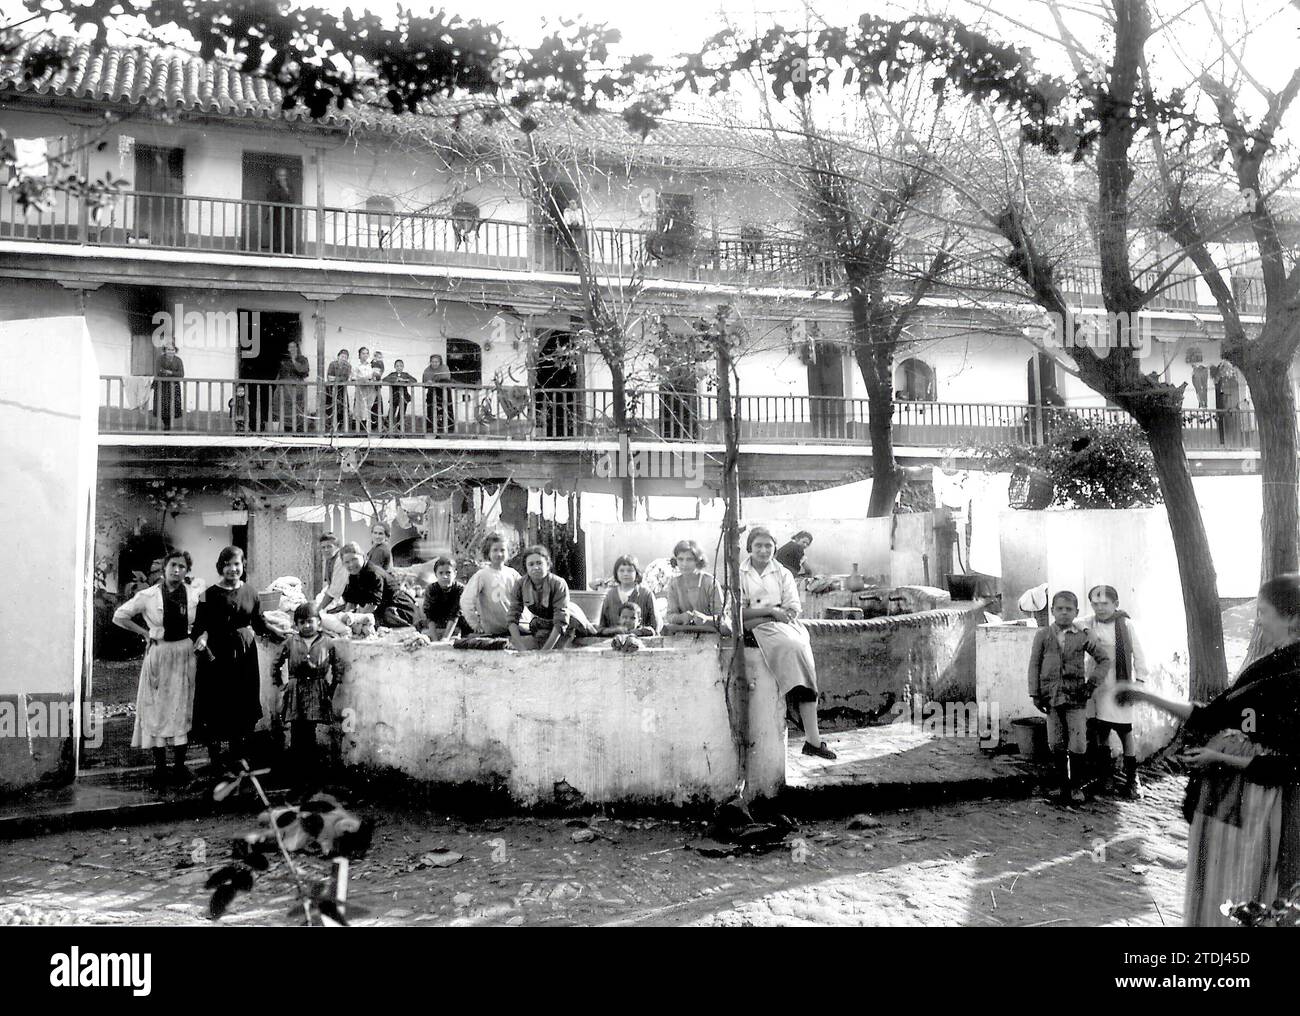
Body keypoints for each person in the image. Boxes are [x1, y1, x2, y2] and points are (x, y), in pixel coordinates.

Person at [1114, 574, 1300, 928]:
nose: (1258, 620)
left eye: (1264, 612)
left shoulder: (1289, 675)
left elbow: (1290, 766)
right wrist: (1145, 696)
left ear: (1291, 618)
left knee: (1257, 890)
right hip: (1245, 798)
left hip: (1271, 805)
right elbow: (1213, 715)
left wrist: (1221, 758)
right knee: (1235, 887)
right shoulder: (1267, 666)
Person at [741, 527, 836, 760]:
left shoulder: (782, 573)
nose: (763, 550)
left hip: (780, 626)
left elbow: (792, 609)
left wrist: (763, 616)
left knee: (801, 650)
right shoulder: (740, 573)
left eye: (768, 546)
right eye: (758, 546)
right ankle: (811, 737)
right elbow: (736, 613)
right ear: (749, 548)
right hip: (756, 630)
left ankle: (812, 739)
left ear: (775, 548)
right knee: (793, 649)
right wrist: (773, 611)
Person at [191, 546, 287, 774]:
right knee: (214, 705)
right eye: (227, 564)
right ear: (220, 567)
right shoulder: (208, 593)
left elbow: (259, 622)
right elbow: (199, 627)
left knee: (241, 704)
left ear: (243, 566)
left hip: (244, 654)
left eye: (237, 564)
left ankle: (237, 758)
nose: (232, 569)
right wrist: (203, 638)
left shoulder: (251, 592)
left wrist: (280, 633)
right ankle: (215, 761)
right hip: (216, 656)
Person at [112, 548, 203, 787]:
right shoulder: (148, 596)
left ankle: (180, 767)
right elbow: (120, 616)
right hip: (160, 653)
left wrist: (201, 638)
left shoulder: (193, 594)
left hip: (184, 653)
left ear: (187, 570)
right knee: (158, 707)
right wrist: (145, 633)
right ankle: (160, 768)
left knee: (182, 705)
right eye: (173, 565)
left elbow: (202, 622)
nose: (177, 570)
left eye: (182, 566)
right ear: (164, 568)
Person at [1027, 590, 1111, 805]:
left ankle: (1076, 788)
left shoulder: (1082, 636)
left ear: (1076, 612)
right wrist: (1035, 693)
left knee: (1078, 743)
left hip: (1076, 697)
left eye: (1069, 609)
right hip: (1051, 697)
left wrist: (1091, 684)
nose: (1064, 613)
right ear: (1052, 610)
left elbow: (1104, 660)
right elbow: (1034, 664)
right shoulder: (1043, 635)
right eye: (1060, 609)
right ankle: (1061, 786)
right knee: (1055, 742)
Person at [1083, 584, 1149, 798]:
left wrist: (1140, 680)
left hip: (1120, 684)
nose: (1100, 608)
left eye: (1105, 603)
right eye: (1095, 603)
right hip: (1099, 686)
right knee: (1101, 730)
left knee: (1124, 731)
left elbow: (1139, 653)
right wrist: (1087, 630)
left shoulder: (1125, 625)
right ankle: (1106, 777)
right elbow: (1074, 623)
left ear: (1116, 604)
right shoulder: (1090, 621)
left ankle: (1133, 779)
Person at [272, 602, 341, 790]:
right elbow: (276, 663)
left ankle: (311, 775)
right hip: (296, 689)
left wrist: (331, 688)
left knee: (310, 730)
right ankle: (297, 775)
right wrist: (280, 685)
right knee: (297, 730)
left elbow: (338, 668)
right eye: (302, 622)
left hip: (317, 688)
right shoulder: (291, 642)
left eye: (310, 621)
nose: (306, 626)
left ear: (319, 622)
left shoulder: (327, 642)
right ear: (296, 625)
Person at [507, 544, 596, 650]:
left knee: (580, 638)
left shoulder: (558, 583)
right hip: (544, 620)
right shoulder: (520, 585)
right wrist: (521, 649)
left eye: (539, 563)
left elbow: (561, 621)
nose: (535, 567)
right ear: (526, 568)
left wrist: (545, 651)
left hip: (570, 617)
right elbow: (512, 618)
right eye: (531, 564)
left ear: (548, 565)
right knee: (535, 630)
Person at [331, 541, 416, 628]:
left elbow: (372, 605)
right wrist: (345, 619)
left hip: (400, 609)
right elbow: (351, 602)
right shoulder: (353, 575)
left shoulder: (373, 573)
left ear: (363, 557)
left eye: (354, 559)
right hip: (381, 609)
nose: (351, 564)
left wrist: (356, 620)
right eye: (347, 562)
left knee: (374, 620)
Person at [459, 533, 522, 636]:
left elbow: (525, 596)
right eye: (495, 550)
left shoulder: (513, 574)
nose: (499, 554)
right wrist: (475, 624)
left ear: (508, 552)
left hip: (514, 627)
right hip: (492, 629)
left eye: (502, 550)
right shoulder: (482, 575)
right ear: (488, 552)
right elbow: (466, 600)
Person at [664, 539, 728, 632]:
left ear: (698, 561)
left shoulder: (710, 583)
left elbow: (722, 617)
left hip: (710, 633)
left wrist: (706, 618)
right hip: (684, 633)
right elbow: (670, 615)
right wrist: (681, 617)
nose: (684, 564)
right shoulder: (674, 584)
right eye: (680, 559)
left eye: (689, 559)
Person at [596, 555, 661, 635]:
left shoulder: (646, 594)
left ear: (636, 573)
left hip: (642, 642)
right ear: (616, 573)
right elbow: (601, 628)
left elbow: (656, 626)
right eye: (622, 570)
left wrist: (639, 632)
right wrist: (614, 630)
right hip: (613, 643)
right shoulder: (610, 595)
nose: (625, 574)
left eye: (630, 571)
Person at [422, 556, 471, 641]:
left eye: (448, 573)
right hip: (438, 621)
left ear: (455, 574)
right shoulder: (431, 589)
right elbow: (429, 614)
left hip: (457, 622)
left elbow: (456, 614)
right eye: (441, 573)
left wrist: (445, 638)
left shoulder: (460, 589)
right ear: (436, 575)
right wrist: (435, 638)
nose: (444, 576)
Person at [276, 339, 310, 432]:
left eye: (294, 347)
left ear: (297, 348)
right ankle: (285, 431)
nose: (292, 349)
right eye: (290, 347)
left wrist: (294, 359)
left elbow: (303, 371)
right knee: (285, 412)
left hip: (297, 390)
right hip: (285, 391)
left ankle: (297, 432)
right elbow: (280, 374)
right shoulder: (284, 360)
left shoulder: (302, 359)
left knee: (297, 412)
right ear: (287, 349)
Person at [153, 343, 185, 432]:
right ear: (165, 350)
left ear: (175, 351)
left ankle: (169, 424)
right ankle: (166, 424)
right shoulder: (160, 359)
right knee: (163, 405)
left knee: (173, 405)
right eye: (168, 349)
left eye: (172, 350)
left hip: (174, 386)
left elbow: (181, 374)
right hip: (162, 385)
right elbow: (159, 371)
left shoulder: (178, 360)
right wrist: (173, 373)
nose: (170, 351)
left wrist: (170, 372)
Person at [315, 532, 349, 611]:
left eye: (329, 546)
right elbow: (330, 586)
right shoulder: (329, 559)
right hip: (346, 599)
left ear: (337, 547)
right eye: (323, 547)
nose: (326, 550)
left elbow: (334, 591)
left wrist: (318, 609)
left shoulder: (340, 560)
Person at [383, 359, 416, 431]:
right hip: (394, 396)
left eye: (401, 366)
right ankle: (387, 427)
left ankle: (399, 428)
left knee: (401, 413)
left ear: (403, 367)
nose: (399, 367)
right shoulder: (392, 374)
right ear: (394, 367)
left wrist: (405, 380)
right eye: (397, 366)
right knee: (391, 412)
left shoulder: (405, 374)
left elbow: (414, 380)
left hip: (404, 397)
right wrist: (396, 379)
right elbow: (384, 379)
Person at [423, 354, 453, 433]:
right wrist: (429, 382)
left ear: (440, 362)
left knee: (447, 408)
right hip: (432, 392)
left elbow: (446, 378)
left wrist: (435, 381)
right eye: (432, 362)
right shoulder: (427, 370)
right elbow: (425, 382)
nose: (434, 363)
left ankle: (449, 427)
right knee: (431, 408)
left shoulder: (444, 368)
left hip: (444, 391)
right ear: (430, 362)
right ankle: (431, 426)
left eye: (436, 362)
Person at [352, 346, 377, 432]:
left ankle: (369, 428)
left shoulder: (371, 365)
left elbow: (375, 376)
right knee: (360, 407)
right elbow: (353, 377)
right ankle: (360, 429)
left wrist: (373, 377)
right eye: (363, 353)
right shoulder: (356, 366)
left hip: (370, 389)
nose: (365, 355)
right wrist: (363, 378)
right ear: (359, 355)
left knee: (369, 406)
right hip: (361, 389)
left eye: (367, 353)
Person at [326, 349, 352, 430]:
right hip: (331, 389)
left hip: (342, 389)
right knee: (331, 406)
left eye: (345, 357)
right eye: (342, 356)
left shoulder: (348, 366)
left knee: (342, 407)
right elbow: (329, 377)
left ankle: (340, 426)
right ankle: (331, 426)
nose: (343, 358)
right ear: (338, 356)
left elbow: (346, 378)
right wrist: (340, 379)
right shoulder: (332, 364)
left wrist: (336, 378)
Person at [368, 350, 387, 429]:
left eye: (380, 357)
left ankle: (379, 422)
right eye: (376, 356)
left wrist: (377, 376)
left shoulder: (381, 364)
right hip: (370, 386)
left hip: (376, 385)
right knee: (370, 403)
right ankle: (371, 422)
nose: (378, 358)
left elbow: (380, 373)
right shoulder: (371, 363)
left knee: (378, 402)